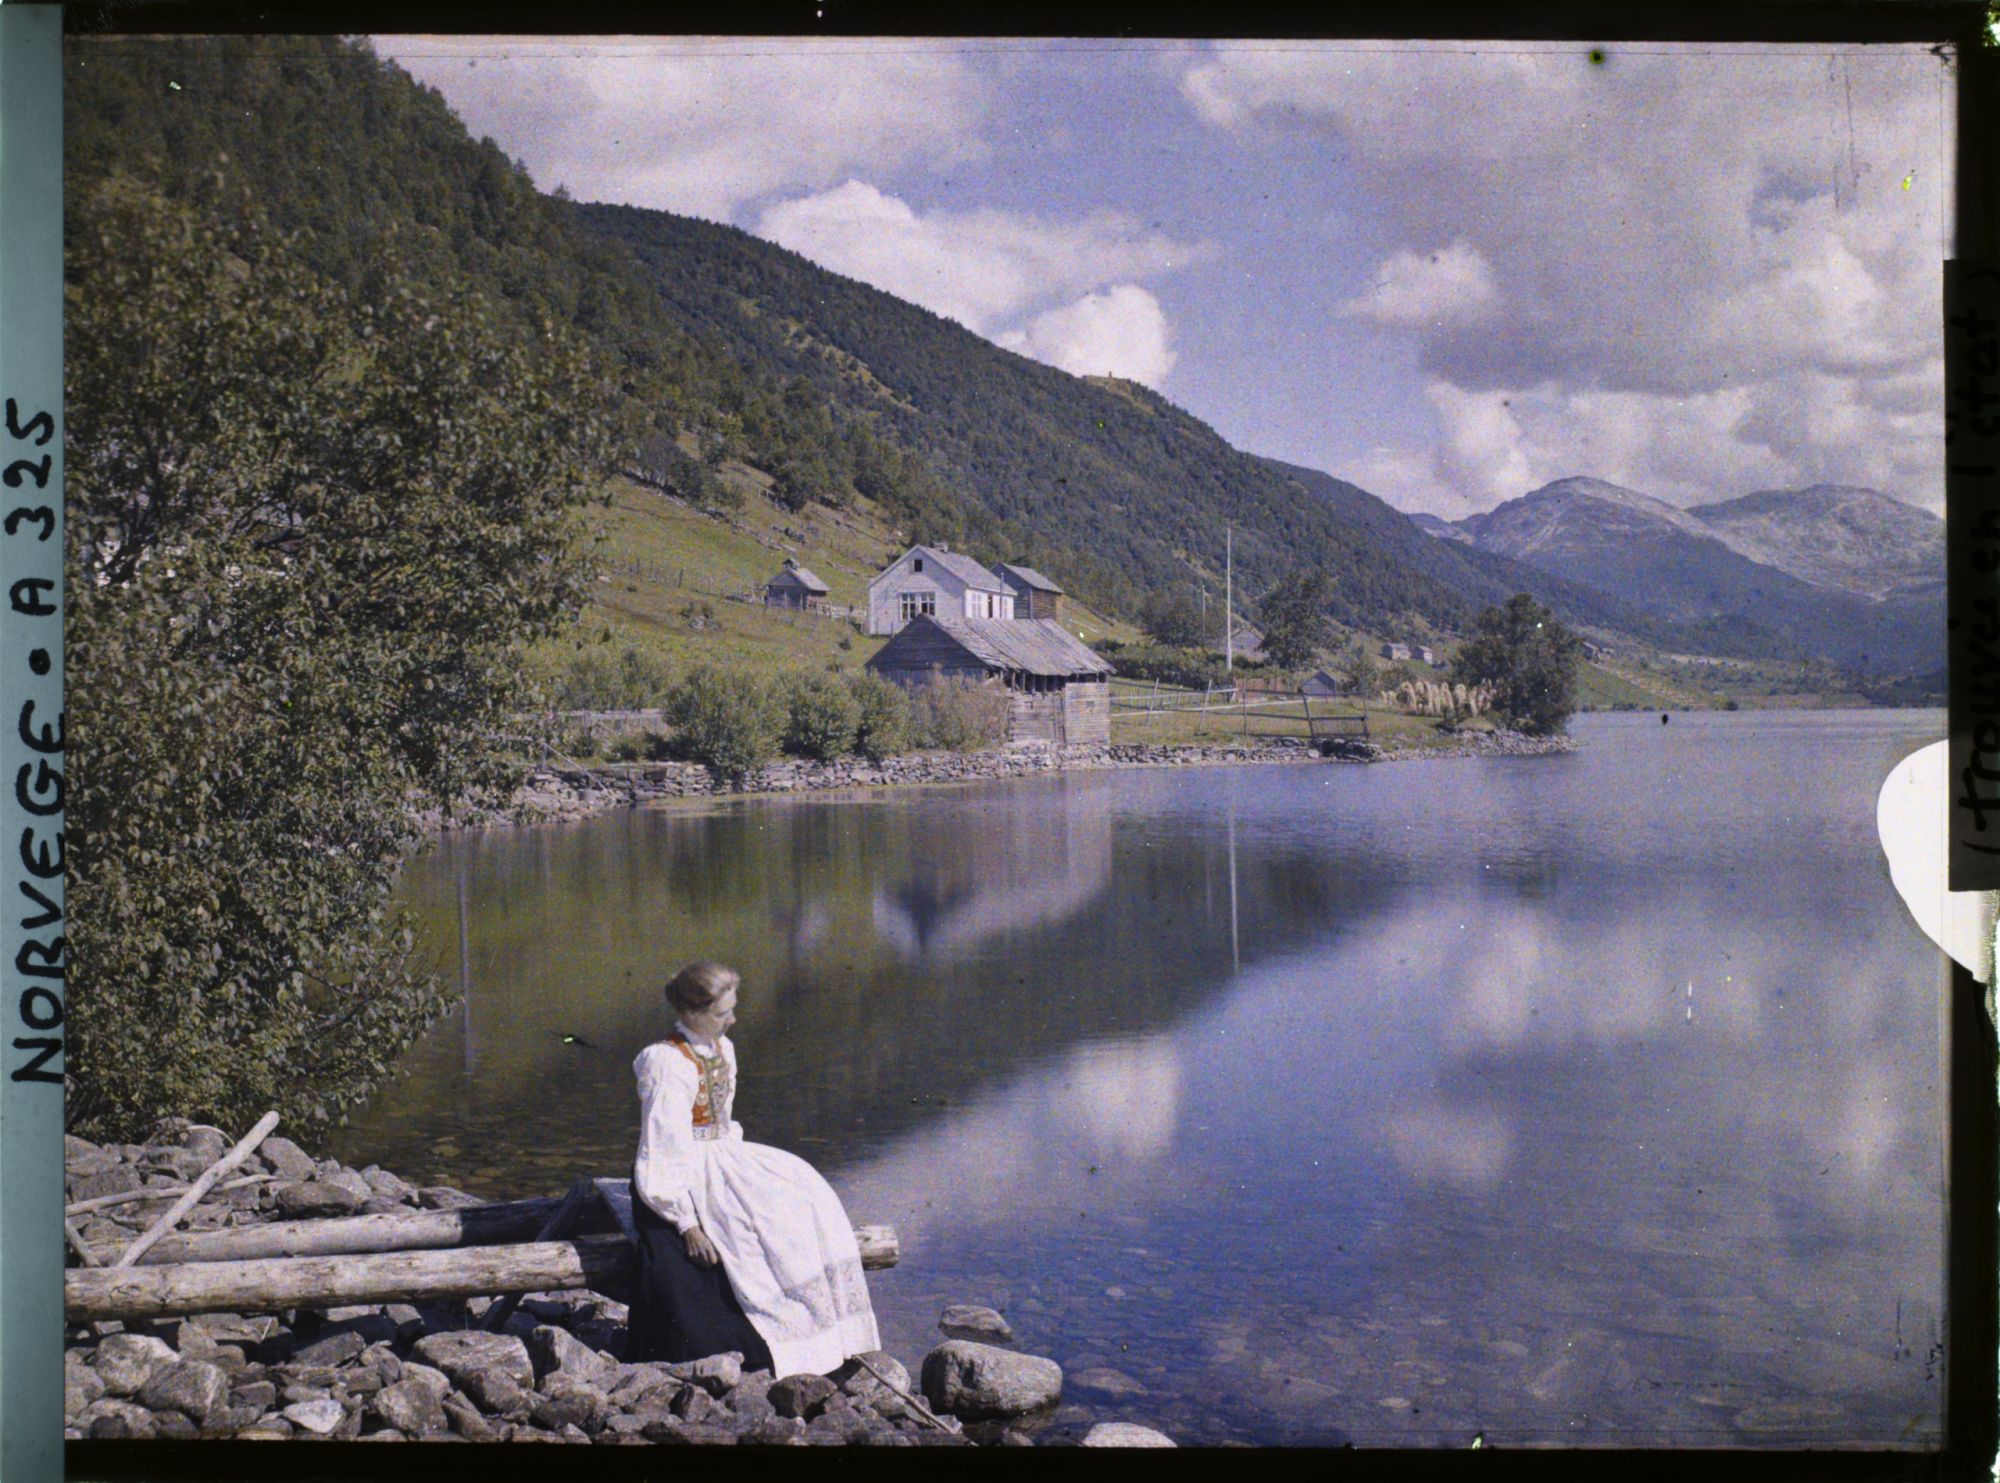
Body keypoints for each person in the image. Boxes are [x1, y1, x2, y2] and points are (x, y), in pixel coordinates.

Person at [626, 960, 881, 1377]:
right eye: (722, 1013)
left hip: (721, 1156)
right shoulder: (666, 1063)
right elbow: (662, 1148)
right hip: (674, 1177)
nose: (732, 1019)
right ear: (691, 1013)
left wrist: (743, 1177)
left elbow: (723, 1122)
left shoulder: (722, 1049)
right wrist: (687, 1224)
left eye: (732, 1008)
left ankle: (820, 1335)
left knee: (803, 1195)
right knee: (712, 1253)